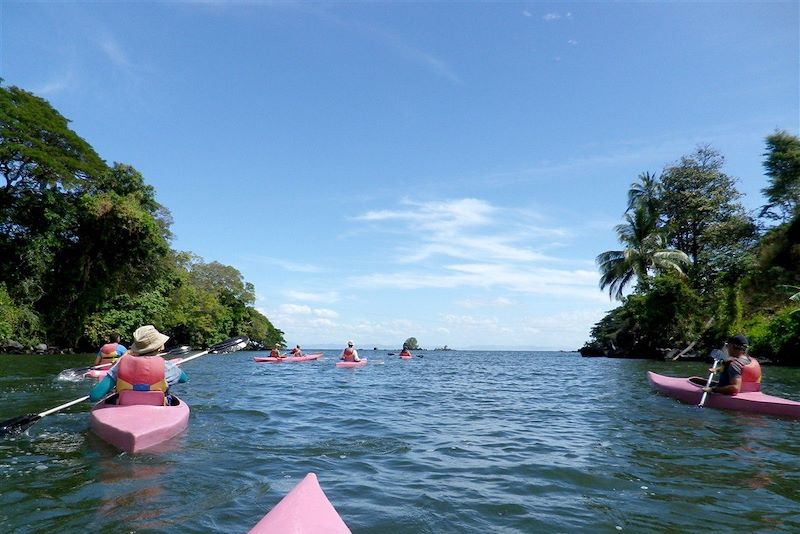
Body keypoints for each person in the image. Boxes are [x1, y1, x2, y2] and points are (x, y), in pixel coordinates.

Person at [89, 325, 187, 405]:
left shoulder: (120, 365)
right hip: (158, 407)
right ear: (160, 347)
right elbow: (184, 379)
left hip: (124, 407)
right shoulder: (167, 366)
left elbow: (94, 396)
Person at [692, 334, 762, 395]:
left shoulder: (734, 365)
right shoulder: (751, 361)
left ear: (732, 346)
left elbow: (735, 388)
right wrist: (717, 370)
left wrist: (713, 390)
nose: (727, 348)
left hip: (734, 395)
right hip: (750, 393)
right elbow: (740, 371)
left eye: (728, 345)